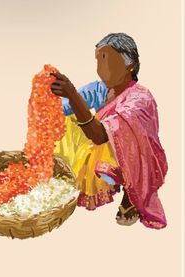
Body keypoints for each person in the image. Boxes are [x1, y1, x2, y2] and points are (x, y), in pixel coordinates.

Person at [51, 33, 168, 229]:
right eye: (98, 60)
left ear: (129, 64)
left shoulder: (140, 99)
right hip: (104, 145)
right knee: (63, 120)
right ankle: (72, 176)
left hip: (135, 158)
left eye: (106, 59)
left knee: (111, 135)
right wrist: (48, 97)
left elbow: (100, 136)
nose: (100, 68)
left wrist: (71, 94)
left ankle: (131, 193)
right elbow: (64, 107)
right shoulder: (100, 89)